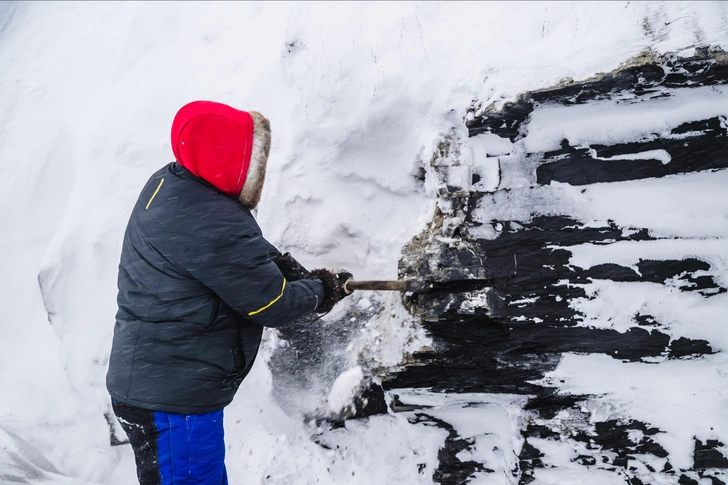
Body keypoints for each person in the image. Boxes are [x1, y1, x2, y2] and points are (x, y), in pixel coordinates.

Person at [106, 100, 352, 485]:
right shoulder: (214, 223)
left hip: (150, 384)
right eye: (253, 160)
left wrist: (282, 265)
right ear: (226, 161)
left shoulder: (172, 185)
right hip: (174, 403)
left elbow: (231, 254)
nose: (259, 171)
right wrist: (322, 289)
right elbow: (273, 304)